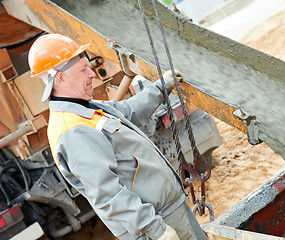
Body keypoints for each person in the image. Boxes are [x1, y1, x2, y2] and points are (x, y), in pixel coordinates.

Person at [28, 33, 208, 240]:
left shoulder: (84, 109)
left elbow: (129, 111)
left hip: (168, 209)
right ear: (60, 78)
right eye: (83, 69)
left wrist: (161, 88)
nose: (91, 74)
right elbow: (108, 193)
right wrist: (155, 229)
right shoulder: (73, 131)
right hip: (154, 222)